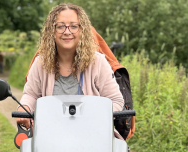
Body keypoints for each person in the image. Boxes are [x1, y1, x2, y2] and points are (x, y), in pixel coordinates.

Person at [17, 3, 124, 134]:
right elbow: (31, 94)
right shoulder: (41, 62)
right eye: (61, 26)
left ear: (82, 30)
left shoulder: (98, 62)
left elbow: (116, 100)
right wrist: (24, 107)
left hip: (93, 138)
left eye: (74, 26)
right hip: (50, 139)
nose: (67, 32)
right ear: (52, 31)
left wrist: (98, 116)